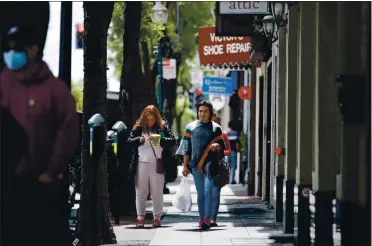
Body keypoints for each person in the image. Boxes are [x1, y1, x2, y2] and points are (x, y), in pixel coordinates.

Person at [1, 25, 79, 245]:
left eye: (19, 49)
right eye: (9, 48)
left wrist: (52, 171)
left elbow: (68, 130)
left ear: (34, 50)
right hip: (8, 186)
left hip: (42, 185)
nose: (11, 54)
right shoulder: (4, 83)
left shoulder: (54, 90)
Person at [127, 105, 176, 228]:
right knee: (140, 192)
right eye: (148, 119)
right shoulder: (138, 127)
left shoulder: (163, 126)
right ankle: (140, 218)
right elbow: (128, 142)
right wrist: (140, 139)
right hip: (141, 163)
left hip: (157, 163)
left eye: (152, 119)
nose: (150, 122)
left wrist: (160, 139)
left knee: (157, 192)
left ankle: (157, 217)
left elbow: (172, 141)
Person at [181, 101, 225, 230]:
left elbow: (223, 146)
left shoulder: (216, 128)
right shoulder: (190, 127)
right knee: (200, 193)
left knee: (208, 190)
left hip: (211, 165)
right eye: (200, 111)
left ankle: (207, 219)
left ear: (210, 113)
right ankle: (201, 219)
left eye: (205, 111)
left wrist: (217, 146)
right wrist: (184, 166)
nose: (202, 114)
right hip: (196, 165)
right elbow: (186, 148)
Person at [210, 112, 231, 227]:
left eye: (215, 121)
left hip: (218, 166)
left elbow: (228, 150)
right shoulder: (204, 134)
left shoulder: (223, 134)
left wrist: (219, 150)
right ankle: (205, 217)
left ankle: (213, 218)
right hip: (206, 167)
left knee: (215, 193)